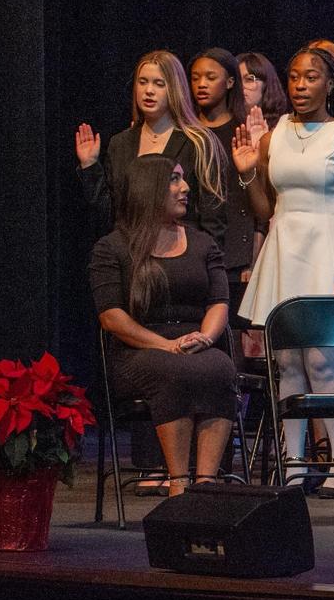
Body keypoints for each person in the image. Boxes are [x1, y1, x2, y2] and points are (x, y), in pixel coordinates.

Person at [232, 44, 334, 496]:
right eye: (294, 76)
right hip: (284, 249)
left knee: (322, 360)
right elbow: (265, 209)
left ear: (330, 84)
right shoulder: (274, 135)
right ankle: (293, 464)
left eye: (311, 77)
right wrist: (248, 172)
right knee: (288, 362)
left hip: (328, 250)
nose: (300, 85)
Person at [90, 155, 237, 497]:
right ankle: (179, 483)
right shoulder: (112, 248)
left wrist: (206, 337)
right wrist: (165, 345)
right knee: (173, 371)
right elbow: (111, 316)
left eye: (182, 179)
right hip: (138, 350)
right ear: (149, 188)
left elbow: (219, 302)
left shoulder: (203, 243)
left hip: (196, 342)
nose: (185, 188)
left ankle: (207, 483)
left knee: (221, 367)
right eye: (174, 179)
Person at [74, 50, 226, 243]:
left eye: (159, 84)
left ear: (175, 89)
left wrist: (206, 259)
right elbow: (110, 215)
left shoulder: (198, 142)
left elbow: (213, 219)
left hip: (180, 252)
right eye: (143, 82)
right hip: (130, 251)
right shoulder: (120, 143)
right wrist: (90, 166)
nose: (149, 91)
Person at [188, 49, 259, 320]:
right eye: (195, 78)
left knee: (232, 327)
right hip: (190, 245)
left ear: (230, 82)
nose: (201, 84)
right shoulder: (185, 133)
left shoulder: (242, 132)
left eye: (210, 77)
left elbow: (255, 202)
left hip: (233, 251)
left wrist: (252, 257)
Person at [237, 51, 289, 125]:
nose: (240, 86)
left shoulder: (284, 126)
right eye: (237, 80)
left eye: (249, 79)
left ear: (266, 84)